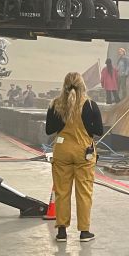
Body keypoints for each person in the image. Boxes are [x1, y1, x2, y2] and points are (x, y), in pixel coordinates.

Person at [45, 72, 103, 242]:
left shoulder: (55, 104)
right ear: (82, 85)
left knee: (62, 192)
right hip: (83, 153)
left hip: (62, 152)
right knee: (84, 192)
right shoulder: (90, 105)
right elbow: (98, 130)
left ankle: (61, 231)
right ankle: (84, 232)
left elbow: (49, 130)